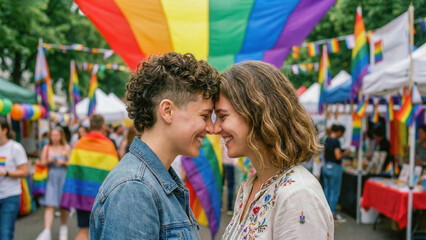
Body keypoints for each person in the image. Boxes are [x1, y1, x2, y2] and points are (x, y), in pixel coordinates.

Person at [90, 52, 219, 239]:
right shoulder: (135, 189)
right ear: (167, 111)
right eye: (204, 116)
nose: (211, 128)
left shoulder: (151, 181)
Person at [215, 61, 333, 239]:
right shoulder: (249, 187)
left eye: (222, 116)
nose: (216, 128)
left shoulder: (297, 194)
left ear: (257, 113)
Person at [61, 114, 119, 240]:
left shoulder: (80, 143)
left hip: (82, 196)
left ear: (90, 126)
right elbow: (114, 173)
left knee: (83, 231)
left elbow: (73, 170)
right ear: (103, 126)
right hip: (102, 198)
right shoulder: (108, 145)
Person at [36, 128, 72, 240]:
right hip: (50, 179)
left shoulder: (66, 147)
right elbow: (41, 163)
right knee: (49, 204)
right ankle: (47, 231)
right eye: (53, 135)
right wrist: (48, 161)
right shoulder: (46, 148)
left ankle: (63, 227)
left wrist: (64, 162)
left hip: (63, 178)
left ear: (61, 136)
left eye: (57, 135)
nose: (54, 137)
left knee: (63, 205)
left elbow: (71, 164)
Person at [0, 117, 29, 240]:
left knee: (5, 233)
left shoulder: (15, 147)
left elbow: (24, 171)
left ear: (4, 130)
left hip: (10, 196)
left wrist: (5, 173)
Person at [322, 124, 350, 223]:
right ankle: (333, 213)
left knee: (327, 190)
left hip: (326, 166)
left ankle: (325, 212)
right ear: (339, 132)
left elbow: (324, 153)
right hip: (334, 167)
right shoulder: (336, 141)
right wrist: (346, 153)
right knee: (334, 191)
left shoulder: (327, 139)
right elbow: (338, 156)